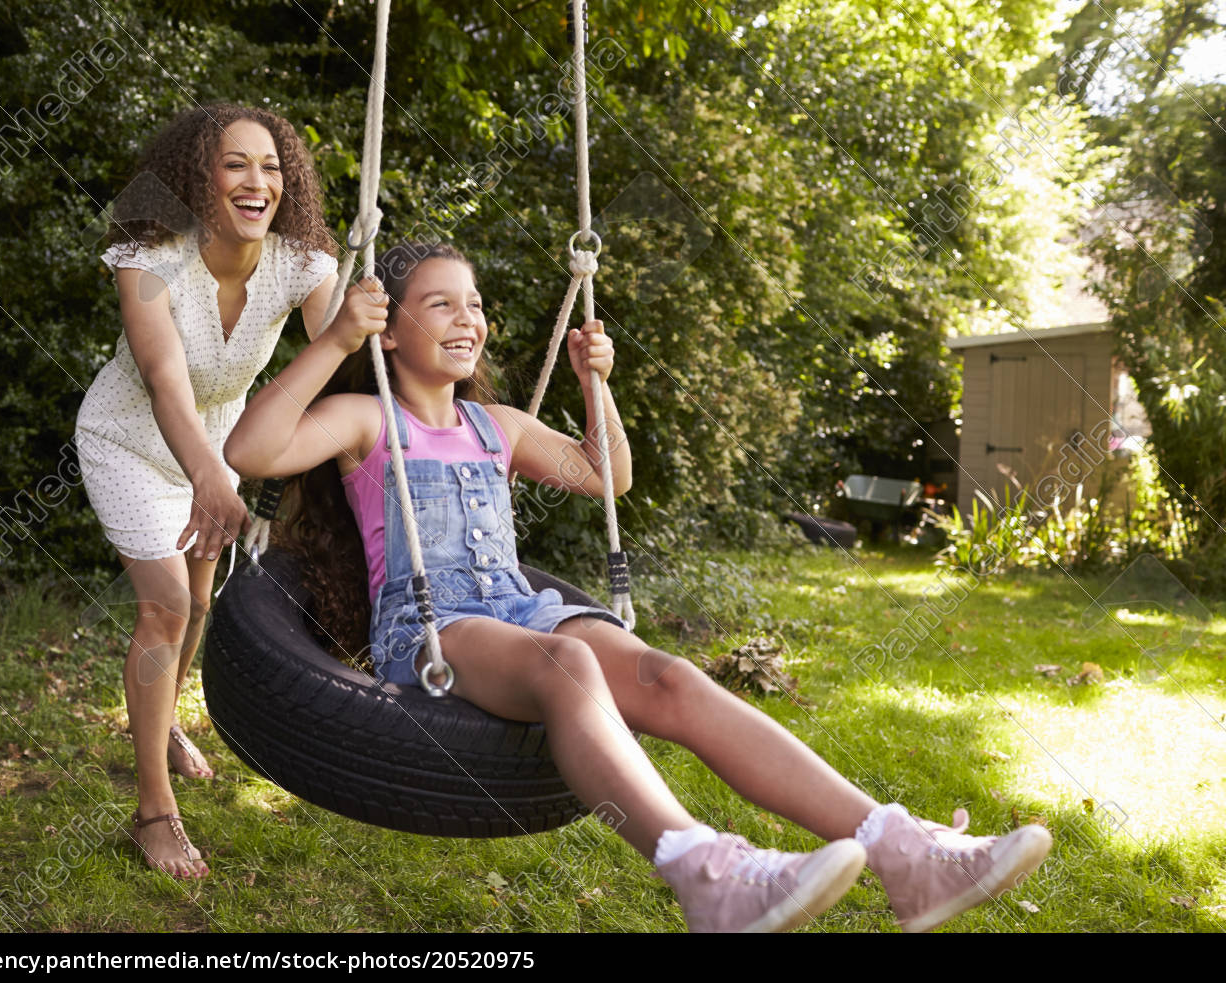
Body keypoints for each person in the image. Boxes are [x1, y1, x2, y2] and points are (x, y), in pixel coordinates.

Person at [222, 241, 1053, 931]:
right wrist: (333, 341)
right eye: (439, 304)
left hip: (518, 605)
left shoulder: (495, 426)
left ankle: (905, 853)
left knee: (669, 675)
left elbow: (606, 473)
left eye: (474, 304)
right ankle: (704, 870)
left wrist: (597, 385)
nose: (466, 318)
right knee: (566, 667)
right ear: (391, 331)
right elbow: (251, 451)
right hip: (434, 630)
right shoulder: (369, 422)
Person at [75, 103, 345, 879]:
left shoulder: (303, 263)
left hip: (221, 444)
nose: (257, 181)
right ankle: (153, 810)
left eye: (270, 166)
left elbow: (343, 367)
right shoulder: (147, 255)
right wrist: (205, 478)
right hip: (131, 440)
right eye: (236, 164)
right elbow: (163, 380)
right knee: (162, 605)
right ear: (199, 175)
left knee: (198, 602)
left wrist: (354, 330)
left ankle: (161, 724)